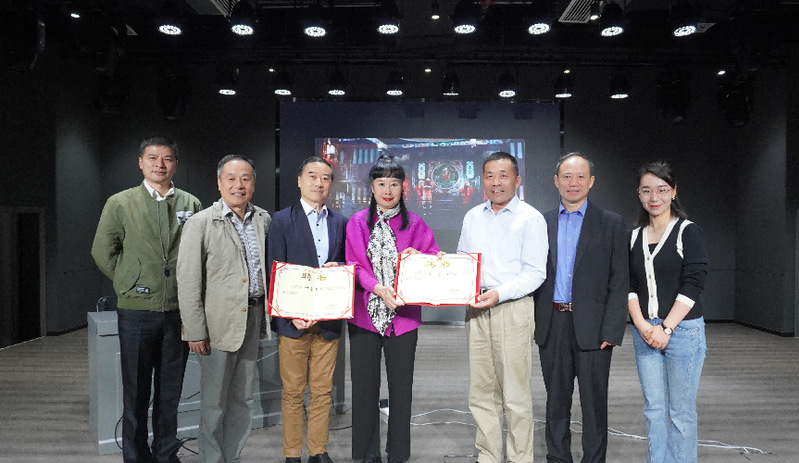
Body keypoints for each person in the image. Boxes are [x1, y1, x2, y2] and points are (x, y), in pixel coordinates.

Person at [91, 134, 201, 463]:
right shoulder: (120, 203)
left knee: (170, 391)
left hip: (178, 311)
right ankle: (136, 456)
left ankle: (166, 453)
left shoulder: (191, 203)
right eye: (152, 158)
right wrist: (131, 281)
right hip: (136, 312)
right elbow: (102, 251)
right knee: (136, 391)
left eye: (167, 158)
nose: (159, 164)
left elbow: (198, 253)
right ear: (141, 163)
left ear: (175, 164)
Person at [345, 156, 442, 463]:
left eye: (394, 184)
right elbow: (355, 265)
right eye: (381, 183)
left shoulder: (415, 224)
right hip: (365, 317)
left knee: (401, 391)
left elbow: (435, 257)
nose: (388, 190)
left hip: (404, 319)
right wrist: (378, 288)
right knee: (364, 389)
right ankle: (366, 454)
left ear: (403, 187)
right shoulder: (358, 222)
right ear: (372, 187)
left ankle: (398, 454)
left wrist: (422, 258)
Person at [533, 152, 628, 463]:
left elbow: (620, 280)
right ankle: (558, 458)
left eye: (580, 177)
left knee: (594, 405)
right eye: (567, 176)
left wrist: (612, 330)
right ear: (556, 181)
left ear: (591, 181)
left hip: (595, 327)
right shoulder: (540, 223)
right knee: (555, 403)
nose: (573, 183)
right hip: (552, 324)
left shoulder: (612, 223)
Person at [176, 155, 271, 463]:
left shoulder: (263, 220)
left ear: (253, 184)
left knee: (243, 398)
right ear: (219, 183)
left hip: (253, 318)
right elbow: (188, 280)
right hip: (217, 323)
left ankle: (233, 456)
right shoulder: (201, 222)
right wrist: (194, 330)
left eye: (245, 178)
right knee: (214, 402)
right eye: (231, 178)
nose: (238, 185)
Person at [456, 151, 547, 463]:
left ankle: (520, 458)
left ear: (517, 180)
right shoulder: (472, 216)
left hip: (513, 308)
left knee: (515, 392)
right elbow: (463, 260)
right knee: (481, 391)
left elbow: (535, 273)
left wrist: (498, 293)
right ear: (482, 180)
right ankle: (489, 455)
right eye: (490, 176)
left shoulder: (531, 219)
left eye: (503, 175)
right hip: (476, 310)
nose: (496, 182)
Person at [267, 157, 348, 463]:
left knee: (322, 391)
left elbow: (346, 265)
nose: (318, 183)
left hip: (328, 321)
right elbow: (275, 271)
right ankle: (292, 454)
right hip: (294, 322)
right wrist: (289, 314)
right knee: (292, 392)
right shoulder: (281, 220)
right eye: (312, 176)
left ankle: (318, 450)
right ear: (299, 180)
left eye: (325, 178)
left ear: (331, 184)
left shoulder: (340, 222)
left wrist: (339, 266)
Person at [627, 161, 708, 463]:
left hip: (683, 332)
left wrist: (667, 328)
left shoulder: (689, 232)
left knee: (680, 412)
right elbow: (629, 287)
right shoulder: (634, 237)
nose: (654, 197)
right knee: (654, 410)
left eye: (662, 190)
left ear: (673, 192)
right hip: (645, 332)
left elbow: (693, 284)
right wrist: (642, 325)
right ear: (639, 194)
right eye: (647, 190)